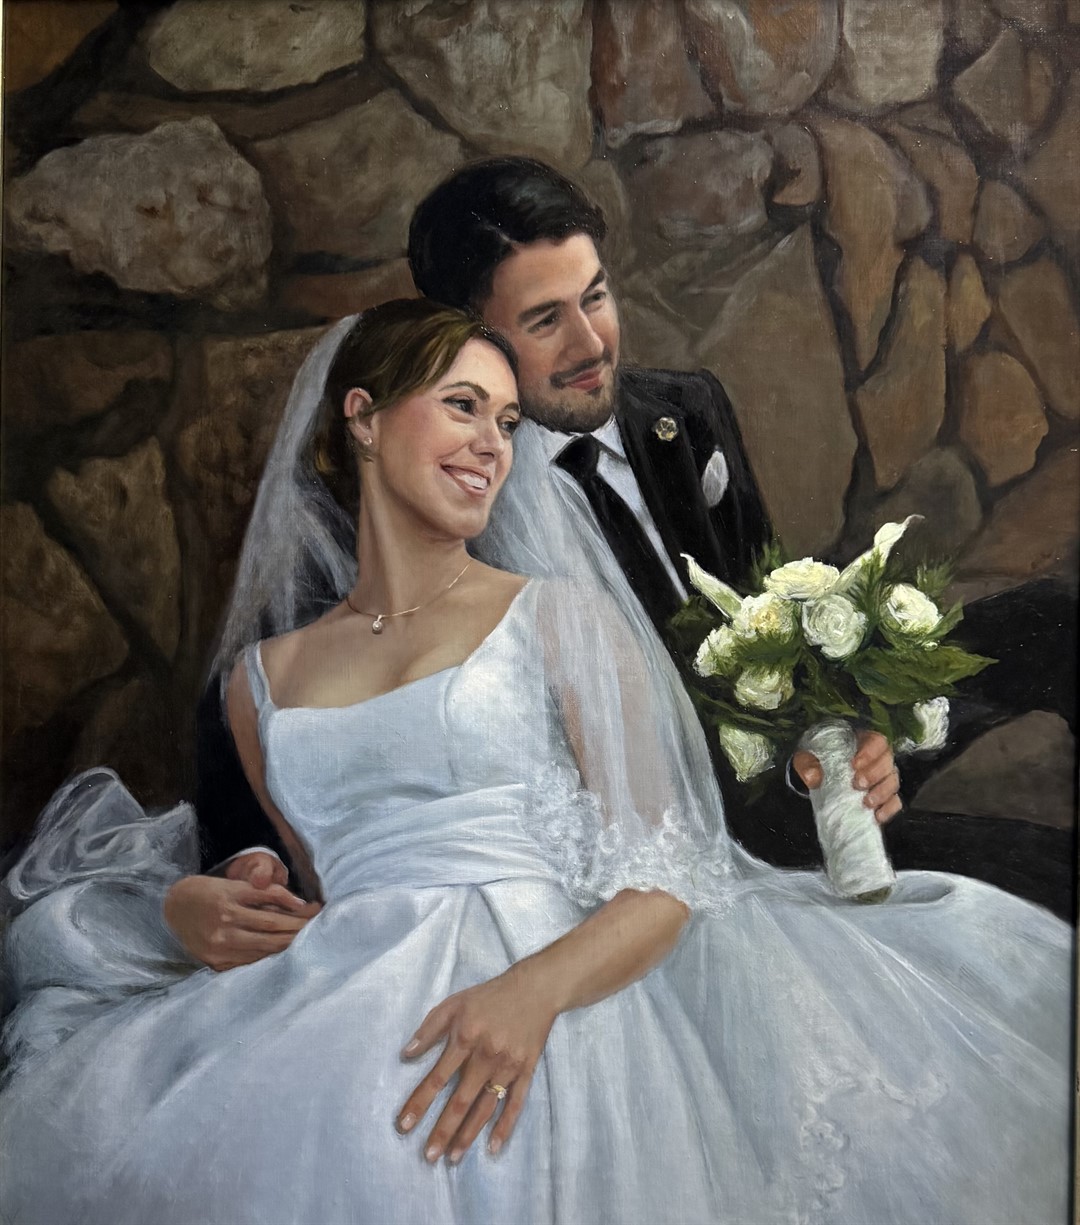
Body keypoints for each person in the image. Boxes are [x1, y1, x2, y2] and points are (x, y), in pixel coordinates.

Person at [0, 300, 1071, 1225]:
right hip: (343, 1011)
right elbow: (304, 890)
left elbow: (669, 880)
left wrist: (526, 997)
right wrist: (214, 895)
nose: (492, 446)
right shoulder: (258, 685)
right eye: (463, 406)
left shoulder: (561, 621)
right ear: (363, 418)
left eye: (508, 422)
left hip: (559, 997)